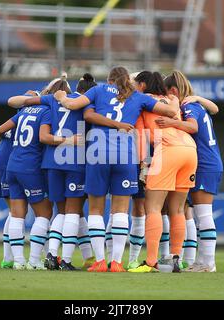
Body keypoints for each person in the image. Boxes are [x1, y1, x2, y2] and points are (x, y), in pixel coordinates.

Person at [53, 66, 180, 272]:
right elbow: (171, 112)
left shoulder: (98, 90)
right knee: (121, 210)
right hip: (125, 154)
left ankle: (101, 261)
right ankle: (117, 263)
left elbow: (71, 104)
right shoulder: (138, 96)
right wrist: (172, 100)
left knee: (95, 209)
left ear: (110, 79)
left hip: (97, 151)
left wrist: (60, 96)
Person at [128, 72, 198, 273]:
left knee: (153, 208)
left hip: (167, 149)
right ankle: (175, 259)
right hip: (189, 150)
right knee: (177, 210)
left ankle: (150, 262)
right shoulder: (171, 100)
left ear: (142, 86)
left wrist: (144, 164)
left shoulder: (142, 102)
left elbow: (142, 137)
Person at [156, 70, 223, 272]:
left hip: (205, 164)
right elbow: (216, 109)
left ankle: (208, 263)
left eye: (168, 94)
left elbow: (192, 127)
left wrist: (171, 122)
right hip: (208, 162)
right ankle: (201, 262)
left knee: (203, 215)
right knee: (197, 214)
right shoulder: (197, 104)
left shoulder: (188, 106)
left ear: (174, 91)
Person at [38, 73, 98, 270]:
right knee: (73, 211)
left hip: (51, 161)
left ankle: (52, 255)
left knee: (61, 212)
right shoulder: (87, 104)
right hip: (74, 162)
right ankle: (67, 261)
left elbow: (20, 101)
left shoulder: (52, 101)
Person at [0, 102, 54, 270]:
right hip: (30, 168)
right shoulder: (47, 111)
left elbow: (0, 130)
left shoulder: (23, 111)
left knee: (16, 215)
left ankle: (18, 260)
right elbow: (44, 137)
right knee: (44, 213)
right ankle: (34, 261)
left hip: (12, 166)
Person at [0, 90, 39, 269]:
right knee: (16, 212)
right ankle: (10, 258)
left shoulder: (18, 115)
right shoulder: (34, 116)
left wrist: (6, 139)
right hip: (8, 162)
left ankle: (8, 258)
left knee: (13, 212)